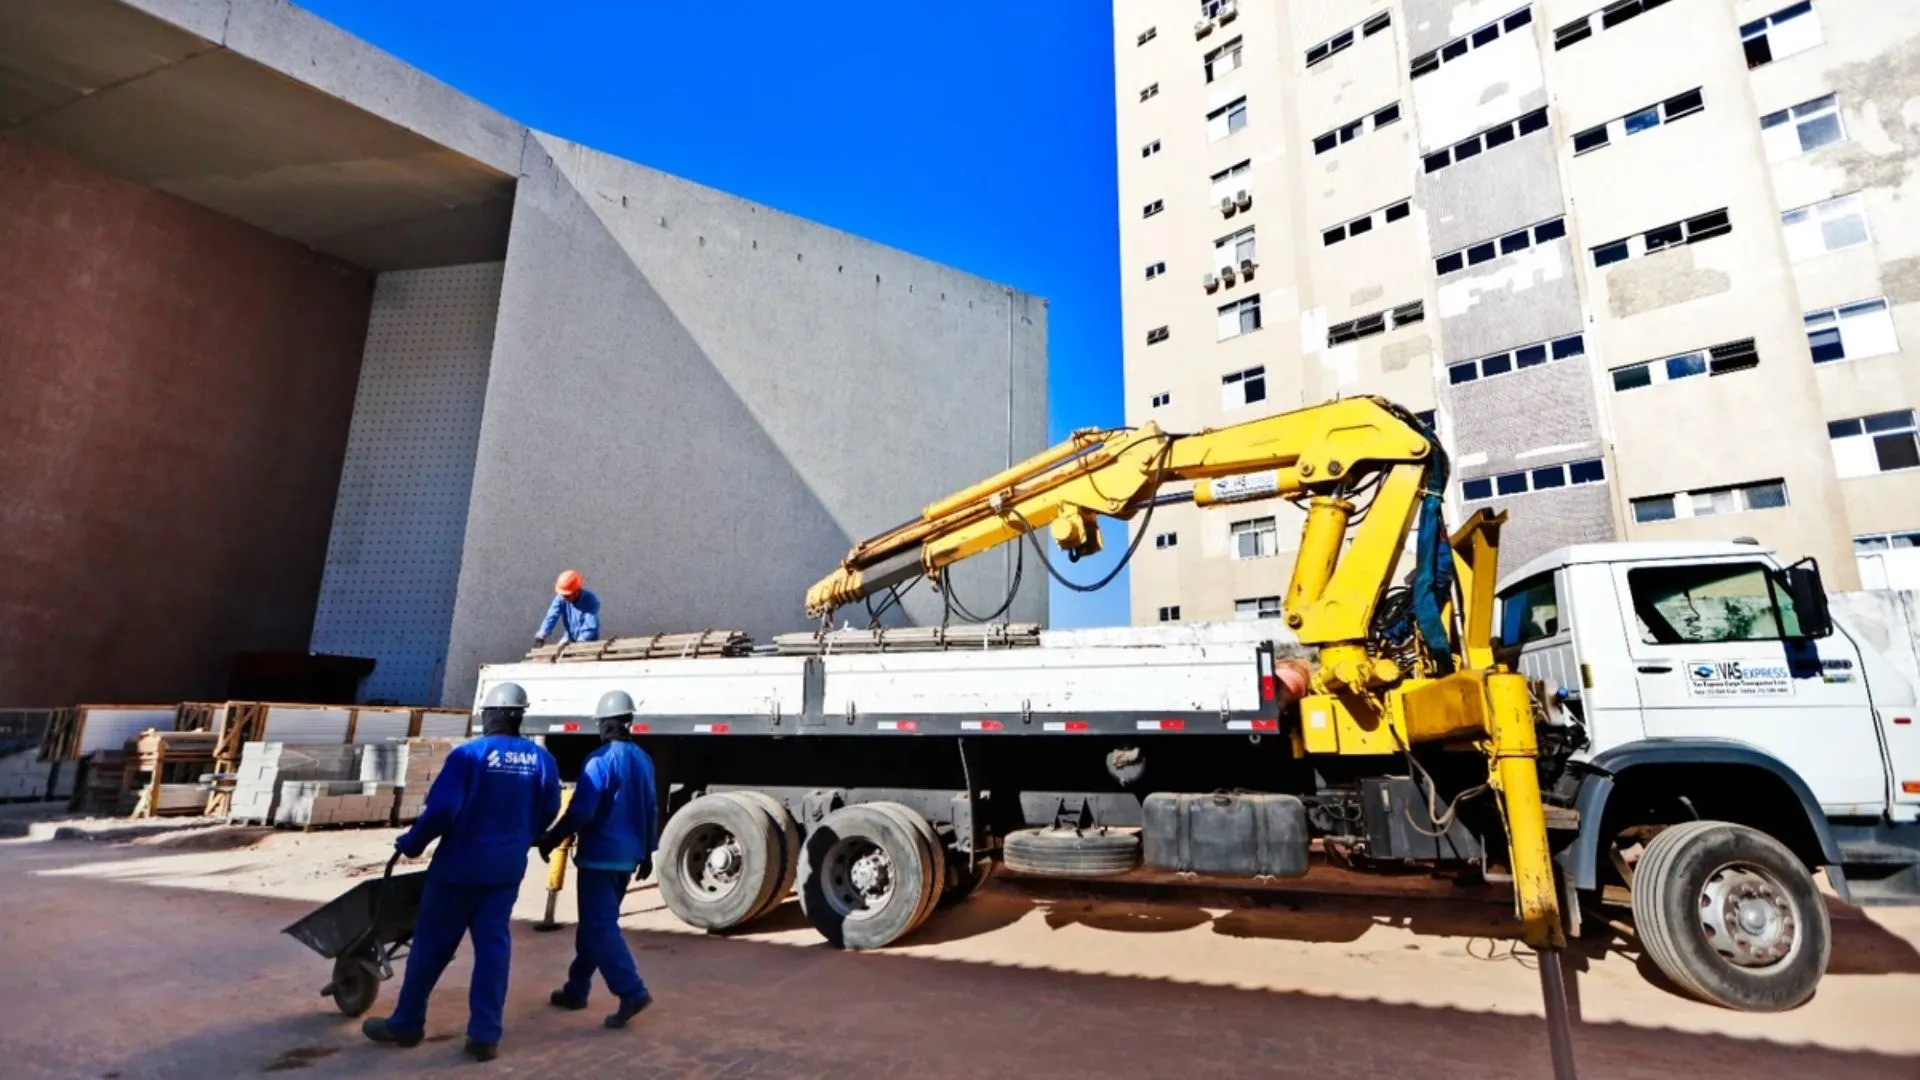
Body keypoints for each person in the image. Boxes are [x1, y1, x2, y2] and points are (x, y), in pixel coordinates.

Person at [363, 682, 560, 1062]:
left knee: (431, 946)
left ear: (489, 715)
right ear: (520, 716)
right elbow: (548, 810)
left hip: (458, 869)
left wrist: (413, 842)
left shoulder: (469, 755)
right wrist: (521, 837)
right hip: (505, 871)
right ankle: (485, 1035)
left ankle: (407, 1023)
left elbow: (441, 811)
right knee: (493, 948)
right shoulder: (542, 761)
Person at [538, 690, 658, 1030]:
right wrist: (647, 851)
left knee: (600, 926)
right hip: (627, 859)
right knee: (597, 924)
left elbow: (581, 811)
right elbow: (651, 808)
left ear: (604, 723)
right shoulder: (644, 760)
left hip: (600, 859)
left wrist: (551, 837)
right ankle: (577, 988)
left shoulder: (599, 761)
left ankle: (631, 990)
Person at [536, 570, 600, 647]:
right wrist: (542, 634)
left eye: (567, 596)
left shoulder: (590, 600)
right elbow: (552, 616)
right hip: (569, 637)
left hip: (588, 641)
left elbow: (590, 626)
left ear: (576, 592)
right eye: (563, 595)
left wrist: (580, 642)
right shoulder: (562, 597)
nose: (564, 598)